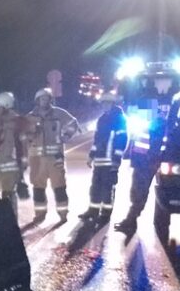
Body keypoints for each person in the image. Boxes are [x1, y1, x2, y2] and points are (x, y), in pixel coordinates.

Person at [25, 87, 80, 220]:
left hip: (55, 158)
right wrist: (31, 133)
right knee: (38, 188)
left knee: (59, 186)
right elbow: (22, 135)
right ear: (37, 101)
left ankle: (63, 214)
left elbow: (73, 123)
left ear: (50, 99)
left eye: (46, 98)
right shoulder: (29, 117)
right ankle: (40, 214)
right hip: (36, 160)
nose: (44, 101)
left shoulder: (59, 113)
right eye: (41, 99)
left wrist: (67, 136)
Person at [115, 109, 171, 234]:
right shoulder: (151, 122)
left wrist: (150, 161)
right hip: (142, 162)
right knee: (137, 192)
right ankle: (131, 220)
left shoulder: (157, 123)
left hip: (146, 164)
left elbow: (155, 145)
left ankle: (131, 221)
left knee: (138, 192)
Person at [82, 92, 128, 223]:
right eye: (103, 103)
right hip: (100, 160)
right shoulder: (102, 119)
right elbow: (97, 140)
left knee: (107, 188)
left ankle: (106, 214)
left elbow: (122, 140)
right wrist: (91, 156)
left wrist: (116, 160)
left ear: (112, 104)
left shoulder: (119, 119)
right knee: (95, 187)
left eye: (107, 103)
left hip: (110, 161)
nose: (104, 106)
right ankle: (93, 210)